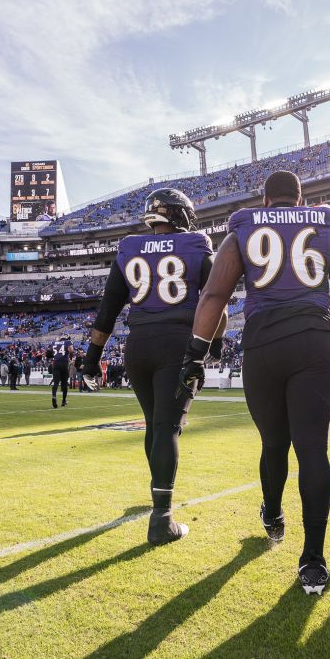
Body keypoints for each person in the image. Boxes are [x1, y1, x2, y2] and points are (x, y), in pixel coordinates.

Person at [179, 170, 330, 594]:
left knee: (273, 444)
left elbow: (214, 296)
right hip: (313, 343)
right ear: (300, 201)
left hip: (263, 347)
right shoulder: (329, 231)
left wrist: (195, 356)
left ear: (266, 201)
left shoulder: (242, 233)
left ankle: (272, 514)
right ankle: (313, 562)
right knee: (313, 451)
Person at [82, 188, 222, 546]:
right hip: (177, 343)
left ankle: (158, 500)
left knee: (155, 425)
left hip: (138, 347)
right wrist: (215, 344)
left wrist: (91, 359)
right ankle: (162, 519)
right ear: (180, 216)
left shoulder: (129, 247)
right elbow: (214, 301)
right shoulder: (195, 244)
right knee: (167, 427)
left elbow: (107, 310)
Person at [50, 335, 73, 407]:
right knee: (64, 383)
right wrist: (71, 358)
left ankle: (54, 396)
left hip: (56, 363)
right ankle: (63, 401)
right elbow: (71, 350)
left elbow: (50, 352)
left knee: (56, 382)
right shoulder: (67, 342)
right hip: (64, 364)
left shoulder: (54, 342)